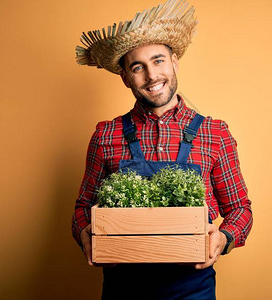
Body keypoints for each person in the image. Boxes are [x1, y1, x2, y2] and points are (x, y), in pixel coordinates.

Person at [72, 0, 253, 299]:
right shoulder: (106, 134)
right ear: (125, 77)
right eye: (137, 67)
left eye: (158, 61)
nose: (152, 75)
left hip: (192, 287)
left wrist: (223, 238)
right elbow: (81, 209)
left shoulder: (214, 133)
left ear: (174, 63)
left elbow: (240, 210)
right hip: (123, 287)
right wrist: (85, 235)